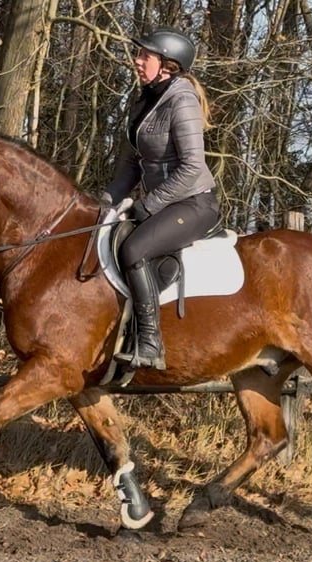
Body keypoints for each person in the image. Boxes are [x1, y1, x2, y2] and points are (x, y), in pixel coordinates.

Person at [101, 27, 220, 370]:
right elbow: (129, 168)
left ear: (167, 64)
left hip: (194, 203)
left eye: (145, 56)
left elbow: (191, 167)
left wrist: (147, 206)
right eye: (139, 55)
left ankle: (151, 343)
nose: (137, 61)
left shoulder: (182, 100)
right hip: (164, 203)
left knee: (133, 249)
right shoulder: (144, 101)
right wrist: (101, 205)